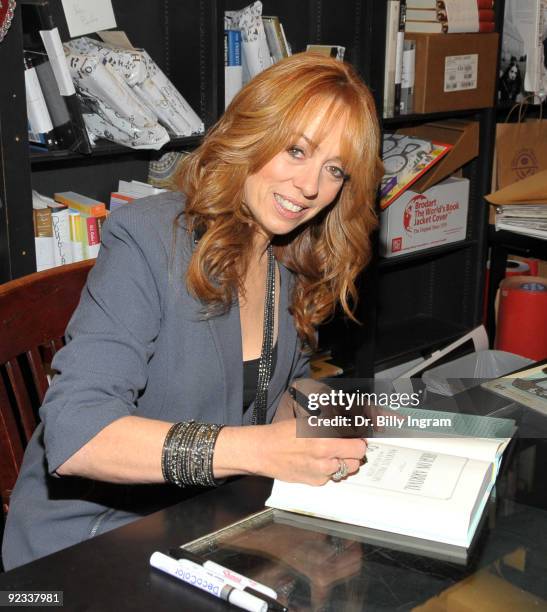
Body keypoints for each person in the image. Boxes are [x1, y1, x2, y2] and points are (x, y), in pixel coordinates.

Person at [2, 52, 382, 569]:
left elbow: (282, 384)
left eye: (334, 169)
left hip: (205, 519)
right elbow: (77, 436)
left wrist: (327, 416)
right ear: (251, 134)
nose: (311, 186)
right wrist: (260, 450)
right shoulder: (148, 237)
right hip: (87, 546)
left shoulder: (288, 254)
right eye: (295, 150)